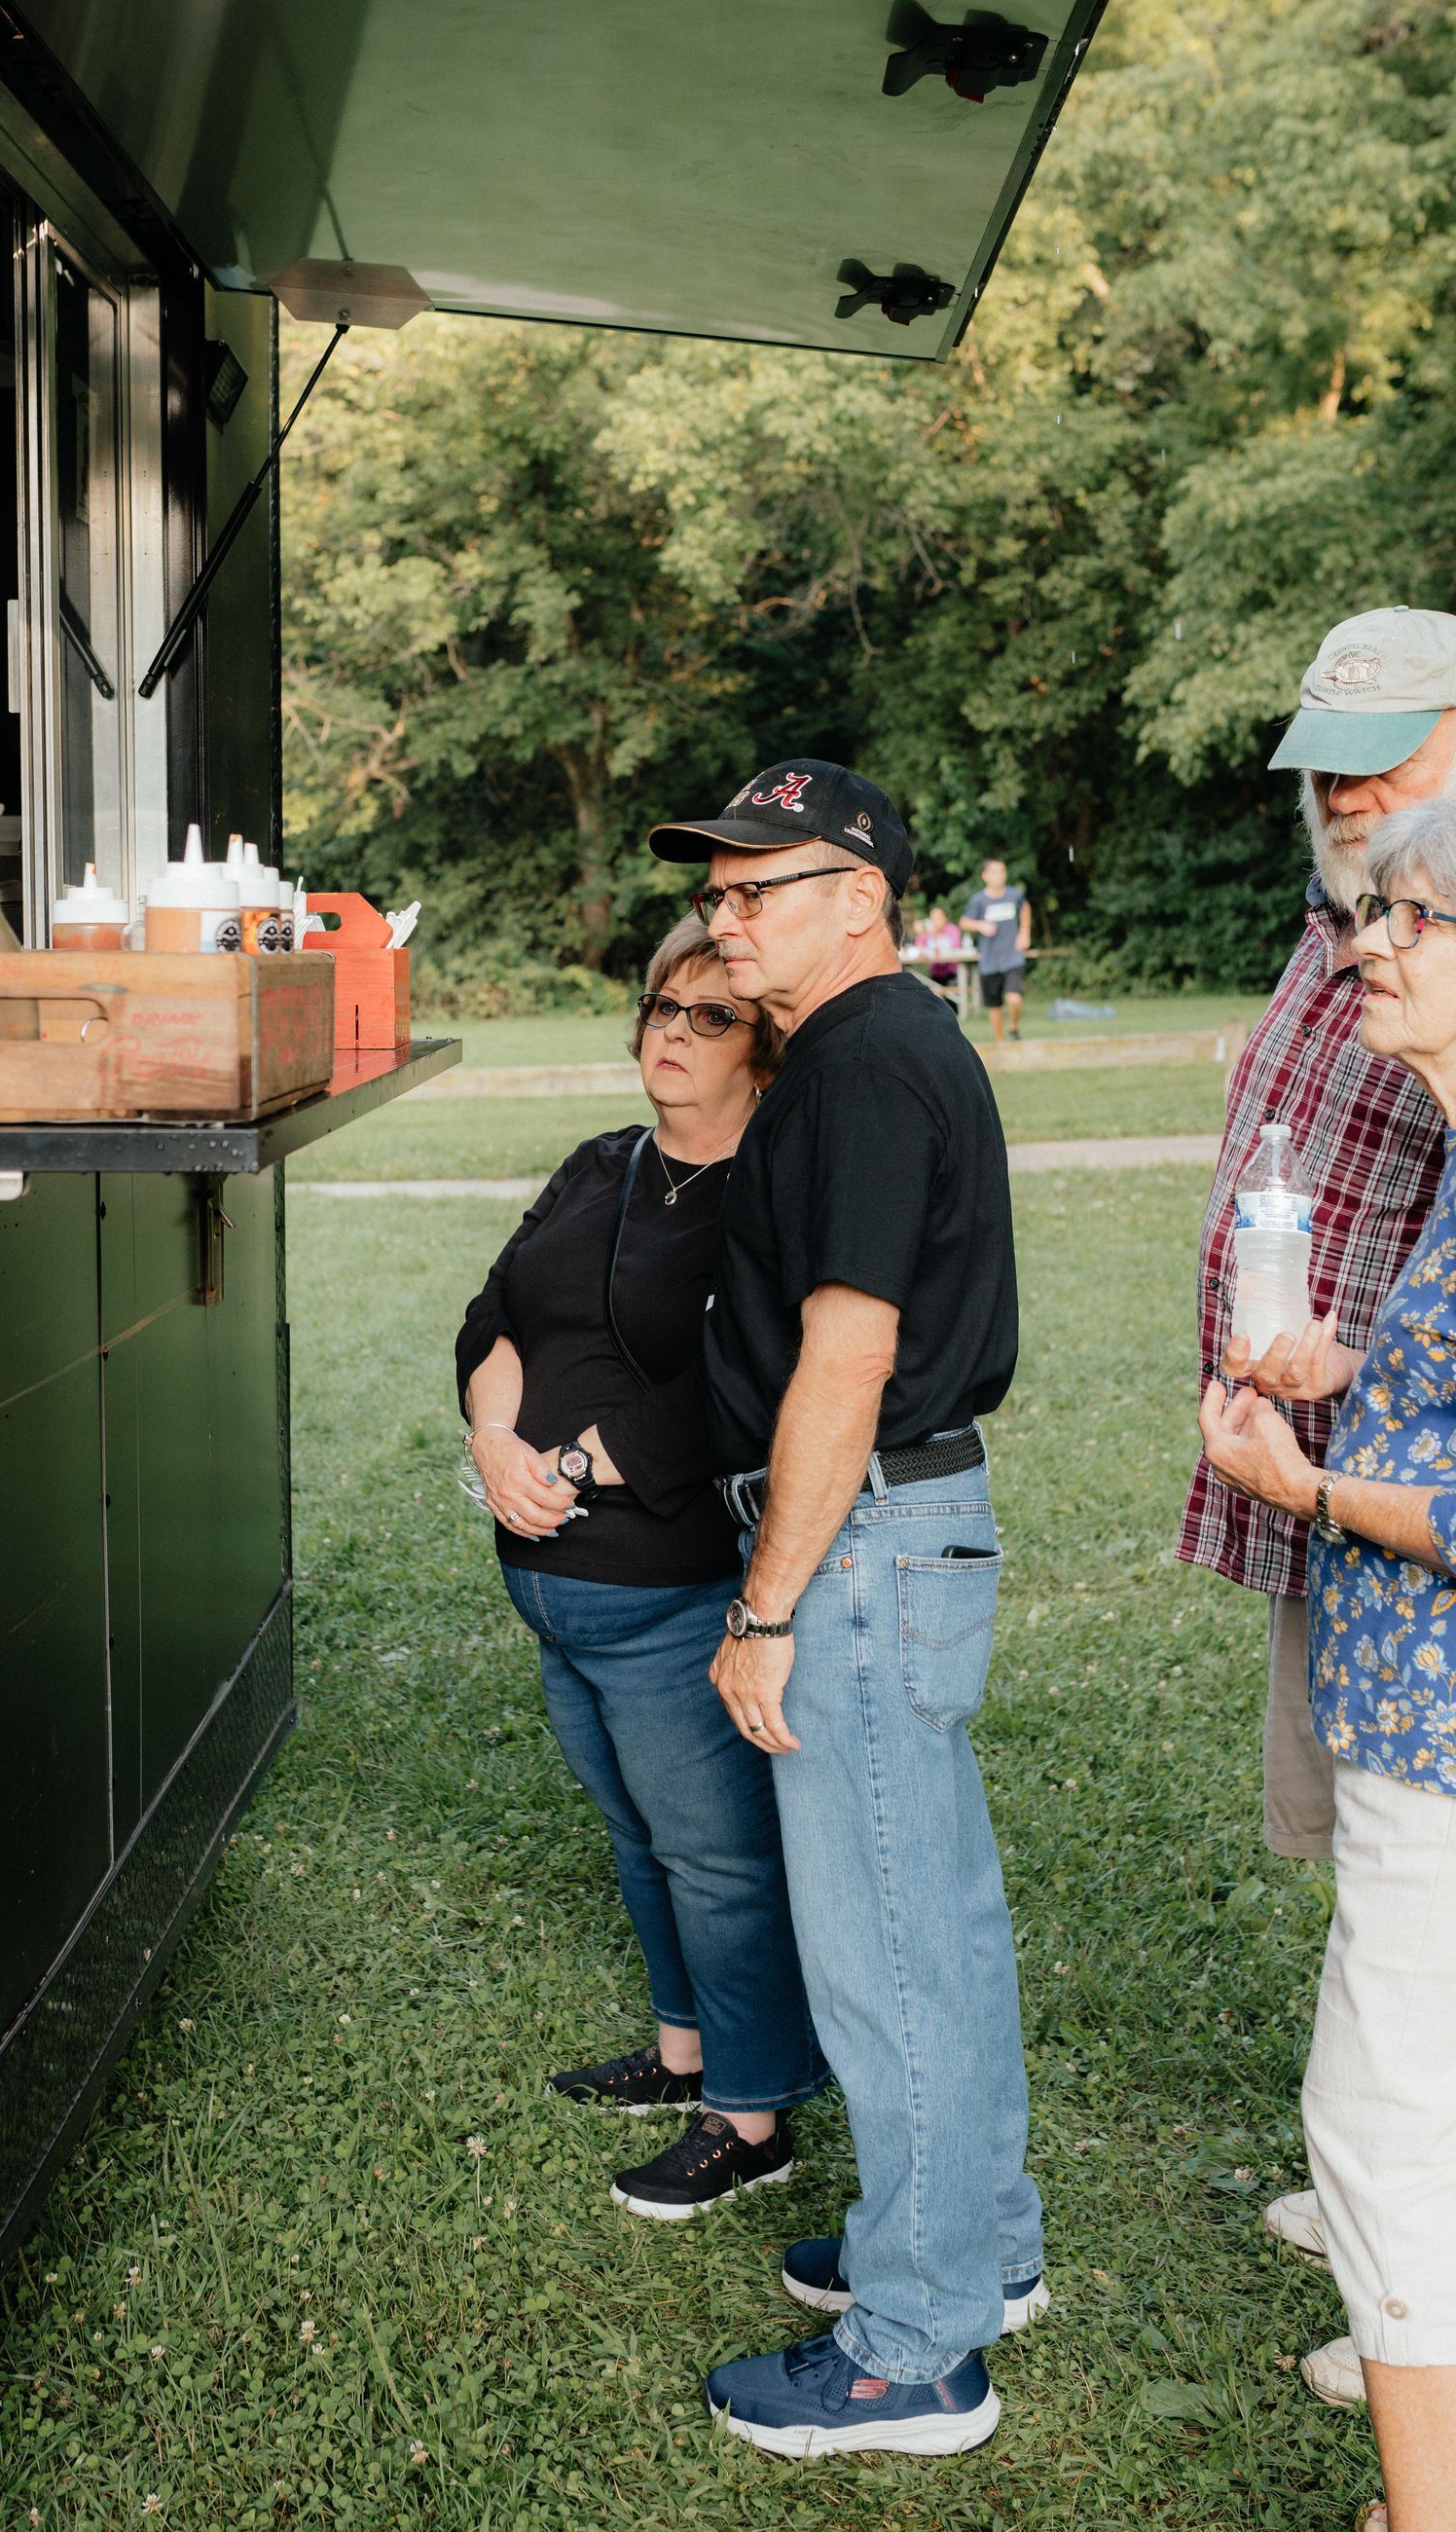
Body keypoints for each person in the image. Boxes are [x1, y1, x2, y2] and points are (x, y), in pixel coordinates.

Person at [1199, 789, 1456, 2532]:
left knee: (1389, 2149)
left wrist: (1311, 1483)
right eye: (1373, 912)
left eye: (1411, 918)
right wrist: (1363, 1367)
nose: (1366, 943)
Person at [642, 758, 1043, 2461]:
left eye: (761, 885)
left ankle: (917, 2348)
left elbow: (851, 1352)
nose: (726, 915)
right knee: (930, 1918)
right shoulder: (855, 1053)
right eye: (716, 890)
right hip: (896, 1531)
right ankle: (974, 2244)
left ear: (865, 894)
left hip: (863, 1542)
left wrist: (766, 1602)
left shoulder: (873, 1058)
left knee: (888, 1951)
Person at [1175, 607, 1456, 2399]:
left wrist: (1342, 1452)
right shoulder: (1352, 912)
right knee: (1390, 1872)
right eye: (1324, 758)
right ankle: (1405, 2177)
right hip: (1335, 1483)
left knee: (1452, 1898)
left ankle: (1421, 2213)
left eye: (1384, 749)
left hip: (1430, 1518)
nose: (1341, 791)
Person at [455, 918, 824, 2219]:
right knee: (637, 1834)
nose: (670, 1031)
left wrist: (567, 1472)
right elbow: (494, 1312)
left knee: (717, 1855)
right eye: (659, 1007)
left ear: (765, 1048)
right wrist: (496, 1437)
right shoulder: (598, 1163)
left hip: (668, 1586)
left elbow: (743, 1387)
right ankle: (684, 2055)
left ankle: (754, 2109)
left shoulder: (769, 1195)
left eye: (708, 1015)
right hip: (557, 1595)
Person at [961, 857, 1031, 1042]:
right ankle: (1000, 1042)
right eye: (995, 872)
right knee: (995, 1005)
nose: (999, 875)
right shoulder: (978, 900)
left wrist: (1024, 933)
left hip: (1012, 957)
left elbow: (1025, 908)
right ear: (985, 876)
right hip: (990, 961)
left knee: (1014, 998)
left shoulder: (1014, 895)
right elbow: (964, 922)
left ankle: (1014, 1027)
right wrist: (981, 925)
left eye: (1002, 871)